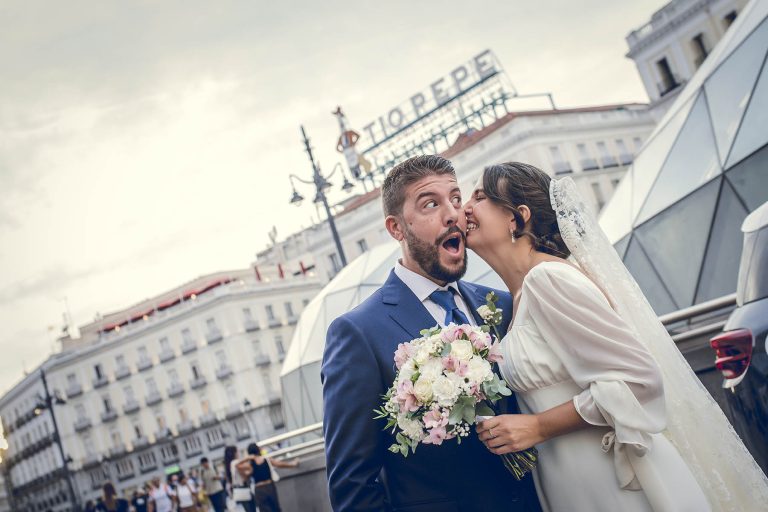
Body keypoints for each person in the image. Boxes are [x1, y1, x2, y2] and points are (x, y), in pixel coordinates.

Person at [463, 162, 768, 511]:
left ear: (516, 218)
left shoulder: (548, 280)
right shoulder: (516, 299)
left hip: (613, 482)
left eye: (480, 197)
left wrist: (538, 426)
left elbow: (638, 379)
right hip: (571, 483)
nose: (464, 208)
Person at [322, 155, 541, 511]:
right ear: (396, 229)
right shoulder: (357, 333)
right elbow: (353, 486)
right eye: (430, 204)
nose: (453, 214)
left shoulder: (503, 305)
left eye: (456, 199)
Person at [245, 442, 299, 512]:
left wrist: (247, 458)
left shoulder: (249, 464)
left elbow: (237, 465)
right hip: (269, 486)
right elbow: (280, 464)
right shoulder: (266, 459)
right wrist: (293, 464)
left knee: (264, 510)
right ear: (258, 449)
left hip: (259, 489)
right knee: (275, 508)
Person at [223, 445, 256, 512]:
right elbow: (244, 476)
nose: (238, 453)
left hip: (238, 490)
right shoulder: (235, 462)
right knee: (251, 509)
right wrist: (251, 472)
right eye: (237, 451)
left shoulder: (228, 465)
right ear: (234, 453)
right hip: (244, 487)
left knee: (248, 509)